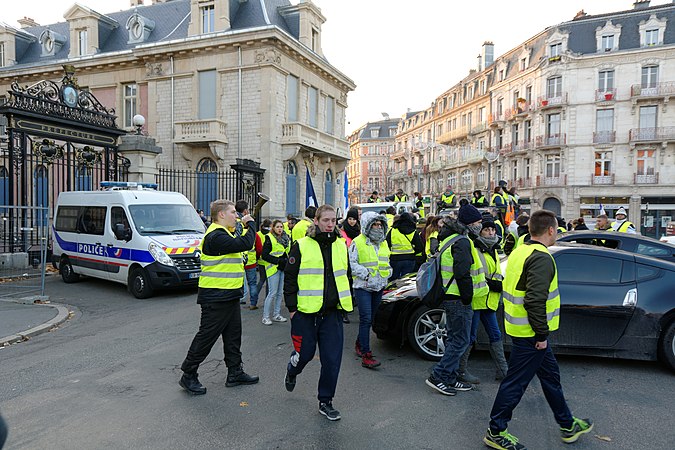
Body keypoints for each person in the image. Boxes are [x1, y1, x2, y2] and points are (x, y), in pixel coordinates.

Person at [484, 210, 593, 450]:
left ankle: (567, 424)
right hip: (531, 335)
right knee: (515, 383)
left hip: (521, 328)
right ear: (551, 230)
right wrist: (541, 336)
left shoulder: (521, 250)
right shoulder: (541, 257)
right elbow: (534, 301)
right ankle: (496, 431)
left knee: (551, 377)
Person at [179, 200, 259, 395]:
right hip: (215, 296)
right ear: (221, 215)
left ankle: (235, 372)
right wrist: (251, 223)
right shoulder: (215, 236)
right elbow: (245, 242)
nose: (237, 216)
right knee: (207, 337)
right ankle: (188, 374)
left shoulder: (225, 234)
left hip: (228, 294)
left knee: (233, 337)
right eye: (233, 212)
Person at [283, 204, 353, 421]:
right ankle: (293, 369)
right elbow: (290, 278)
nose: (330, 224)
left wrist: (345, 303)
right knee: (304, 355)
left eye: (333, 220)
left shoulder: (341, 245)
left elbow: (346, 275)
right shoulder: (301, 245)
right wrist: (292, 309)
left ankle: (326, 401)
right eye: (326, 220)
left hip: (332, 314)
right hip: (306, 313)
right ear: (316, 221)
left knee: (332, 361)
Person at [425, 203, 487, 396]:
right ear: (469, 223)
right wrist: (468, 297)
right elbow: (462, 273)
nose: (479, 226)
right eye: (477, 222)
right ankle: (439, 375)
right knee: (461, 340)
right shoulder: (462, 241)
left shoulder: (451, 238)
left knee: (454, 339)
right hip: (459, 298)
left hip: (451, 297)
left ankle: (450, 377)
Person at [466, 218, 508, 382]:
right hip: (477, 300)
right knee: (470, 337)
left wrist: (499, 283)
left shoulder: (494, 249)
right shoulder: (475, 249)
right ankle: (460, 370)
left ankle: (503, 371)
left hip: (489, 301)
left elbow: (495, 272)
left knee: (496, 335)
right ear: (480, 232)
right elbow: (473, 274)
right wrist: (492, 284)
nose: (491, 233)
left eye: (493, 230)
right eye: (487, 230)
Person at [349, 212, 390, 369]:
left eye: (380, 225)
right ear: (367, 225)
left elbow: (386, 261)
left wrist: (388, 272)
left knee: (371, 319)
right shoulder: (357, 242)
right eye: (375, 224)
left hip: (379, 286)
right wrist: (366, 275)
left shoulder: (383, 243)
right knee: (365, 318)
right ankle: (366, 354)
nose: (378, 228)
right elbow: (352, 263)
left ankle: (360, 343)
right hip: (363, 287)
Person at [261, 220, 290, 325]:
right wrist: (278, 261)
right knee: (272, 293)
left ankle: (276, 315)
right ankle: (265, 316)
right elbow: (264, 255)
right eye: (277, 227)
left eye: (281, 227)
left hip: (282, 267)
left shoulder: (285, 238)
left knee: (279, 293)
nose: (280, 229)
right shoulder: (269, 238)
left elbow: (287, 252)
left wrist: (285, 261)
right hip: (273, 268)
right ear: (273, 227)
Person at [234, 200, 260, 307]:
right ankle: (253, 303)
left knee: (241, 282)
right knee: (252, 283)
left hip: (238, 260)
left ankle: (241, 299)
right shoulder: (250, 231)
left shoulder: (234, 225)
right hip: (251, 261)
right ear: (245, 211)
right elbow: (258, 248)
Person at [386, 212, 423, 281]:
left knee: (394, 280)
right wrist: (413, 253)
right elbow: (420, 247)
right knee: (406, 280)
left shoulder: (392, 230)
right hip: (409, 259)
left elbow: (387, 245)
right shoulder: (413, 232)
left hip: (395, 259)